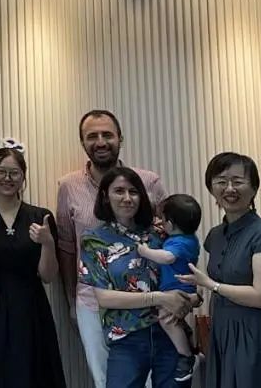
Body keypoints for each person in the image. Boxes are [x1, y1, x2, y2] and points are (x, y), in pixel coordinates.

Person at [56, 109, 167, 388]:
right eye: (92, 136)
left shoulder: (149, 181)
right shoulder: (68, 186)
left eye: (107, 134)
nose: (100, 142)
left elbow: (169, 235)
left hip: (146, 301)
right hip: (92, 302)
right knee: (105, 380)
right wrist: (71, 300)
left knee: (150, 380)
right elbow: (67, 247)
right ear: (83, 142)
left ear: (120, 138)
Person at [176, 152, 261, 388]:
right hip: (222, 333)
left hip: (256, 337)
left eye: (238, 181)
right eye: (221, 181)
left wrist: (212, 285)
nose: (229, 188)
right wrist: (196, 297)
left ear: (254, 188)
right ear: (211, 188)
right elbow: (217, 281)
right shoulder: (215, 235)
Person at [78, 167, 196, 388]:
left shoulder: (161, 232)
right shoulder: (94, 240)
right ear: (105, 196)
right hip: (127, 338)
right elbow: (104, 298)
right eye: (119, 191)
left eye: (133, 191)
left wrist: (192, 298)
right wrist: (160, 298)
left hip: (170, 334)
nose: (127, 198)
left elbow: (187, 268)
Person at [0, 148, 66, 388]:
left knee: (33, 372)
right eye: (1, 172)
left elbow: (48, 276)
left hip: (30, 307)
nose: (7, 178)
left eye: (14, 173)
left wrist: (48, 243)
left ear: (23, 177)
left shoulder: (40, 216)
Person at [137, 194, 202, 383]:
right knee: (173, 321)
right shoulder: (188, 238)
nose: (160, 222)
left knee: (166, 320)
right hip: (180, 288)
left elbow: (168, 257)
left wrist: (145, 252)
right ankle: (188, 338)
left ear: (171, 224)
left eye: (162, 219)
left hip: (177, 289)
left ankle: (187, 356)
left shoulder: (180, 242)